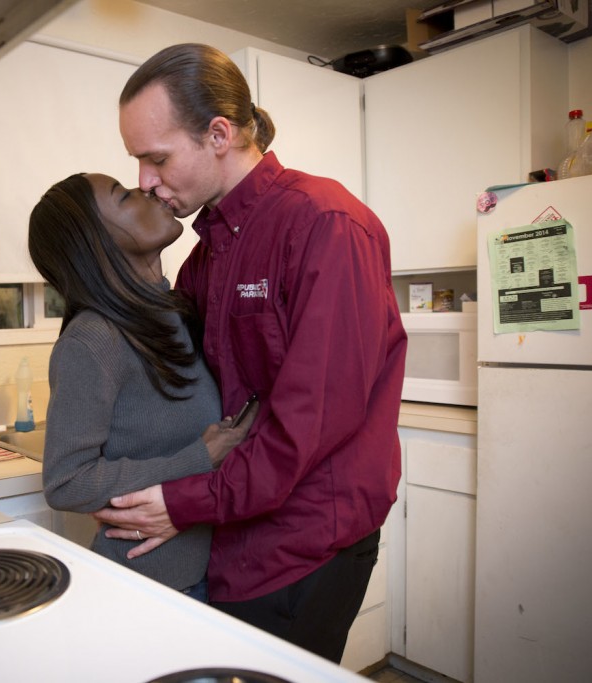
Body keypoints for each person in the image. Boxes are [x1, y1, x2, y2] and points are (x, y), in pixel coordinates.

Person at [92, 43, 408, 663]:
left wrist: (181, 504)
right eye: (137, 164)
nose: (144, 182)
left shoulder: (327, 225)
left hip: (303, 545)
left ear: (218, 133)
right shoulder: (205, 255)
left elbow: (306, 424)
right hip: (235, 535)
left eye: (156, 159)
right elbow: (184, 392)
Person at [27, 172, 255, 600]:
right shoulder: (93, 339)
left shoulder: (174, 312)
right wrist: (199, 457)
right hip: (151, 586)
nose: (147, 190)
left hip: (214, 572)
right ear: (97, 240)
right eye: (124, 196)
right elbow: (66, 481)